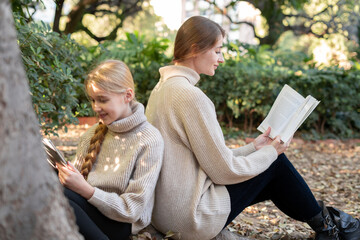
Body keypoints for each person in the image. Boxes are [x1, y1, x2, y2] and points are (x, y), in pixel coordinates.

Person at [145, 16, 360, 240]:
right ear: (195, 49)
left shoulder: (162, 89)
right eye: (217, 51)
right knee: (275, 165)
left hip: (165, 213)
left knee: (271, 174)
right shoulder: (191, 97)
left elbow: (208, 159)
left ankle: (331, 225)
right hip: (189, 219)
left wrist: (255, 147)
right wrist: (270, 153)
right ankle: (331, 227)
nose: (221, 58)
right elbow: (221, 171)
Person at [57, 60, 164, 240]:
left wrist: (87, 191)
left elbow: (132, 209)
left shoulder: (150, 139)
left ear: (127, 95)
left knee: (62, 199)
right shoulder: (93, 133)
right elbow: (74, 181)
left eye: (102, 100)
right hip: (88, 210)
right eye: (92, 99)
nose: (95, 107)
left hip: (120, 221)